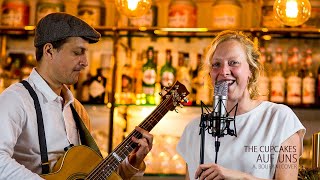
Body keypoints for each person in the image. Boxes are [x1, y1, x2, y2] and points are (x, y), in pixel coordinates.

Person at [0, 12, 153, 179]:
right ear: (49, 51)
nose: (85, 62)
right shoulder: (15, 100)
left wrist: (132, 163)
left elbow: (92, 174)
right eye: (77, 52)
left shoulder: (77, 110)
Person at [177, 30, 305, 180]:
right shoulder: (194, 128)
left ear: (251, 70)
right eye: (216, 64)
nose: (224, 71)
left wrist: (238, 177)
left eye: (233, 63)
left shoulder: (280, 119)